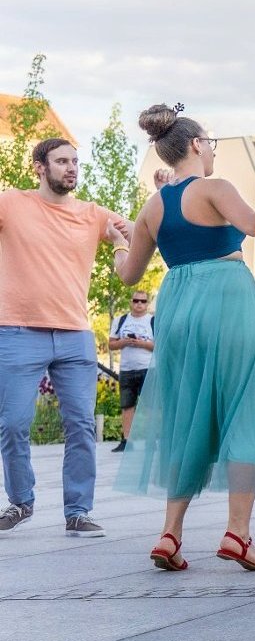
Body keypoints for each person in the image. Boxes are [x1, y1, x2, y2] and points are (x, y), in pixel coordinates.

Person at [114, 105, 255, 571]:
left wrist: (118, 243)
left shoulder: (153, 205)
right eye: (210, 142)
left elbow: (129, 272)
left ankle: (170, 535)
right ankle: (237, 532)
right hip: (226, 298)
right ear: (196, 145)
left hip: (176, 307)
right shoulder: (214, 188)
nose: (212, 149)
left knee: (186, 413)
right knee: (246, 410)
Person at [0, 138, 132, 537]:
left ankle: (78, 510)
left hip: (75, 335)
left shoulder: (93, 215)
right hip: (18, 329)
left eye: (75, 161)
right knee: (13, 423)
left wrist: (162, 196)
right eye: (62, 161)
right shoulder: (11, 202)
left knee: (80, 425)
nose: (71, 168)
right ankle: (21, 502)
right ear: (39, 166)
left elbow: (142, 231)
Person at [107, 290, 155, 453]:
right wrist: (124, 342)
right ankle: (127, 440)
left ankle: (151, 440)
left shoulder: (153, 321)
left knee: (150, 406)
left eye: (142, 301)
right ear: (131, 302)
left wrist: (142, 344)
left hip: (148, 368)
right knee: (127, 405)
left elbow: (160, 346)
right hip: (127, 368)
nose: (139, 304)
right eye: (136, 301)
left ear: (147, 304)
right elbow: (111, 344)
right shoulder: (121, 320)